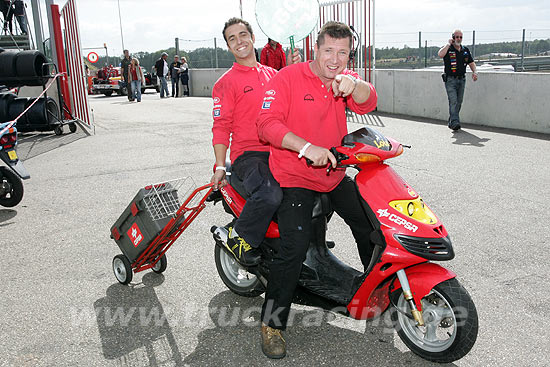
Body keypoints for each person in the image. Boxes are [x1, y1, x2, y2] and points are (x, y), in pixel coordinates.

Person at [256, 21, 378, 359]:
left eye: (343, 53)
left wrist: (355, 85)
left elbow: (370, 100)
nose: (335, 59)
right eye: (329, 51)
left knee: (370, 223)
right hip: (295, 175)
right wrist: (305, 147)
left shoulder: (344, 82)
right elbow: (266, 125)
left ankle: (374, 290)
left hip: (334, 173)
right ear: (316, 50)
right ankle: (272, 323)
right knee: (293, 248)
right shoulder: (289, 78)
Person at [211, 18, 299, 267]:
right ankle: (237, 237)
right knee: (270, 194)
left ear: (252, 38)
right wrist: (219, 165)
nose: (239, 41)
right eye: (232, 38)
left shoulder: (274, 75)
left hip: (279, 151)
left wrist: (292, 71)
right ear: (228, 46)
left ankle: (303, 240)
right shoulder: (225, 83)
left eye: (242, 35)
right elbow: (220, 126)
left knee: (317, 189)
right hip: (249, 156)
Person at [438, 29, 478, 131]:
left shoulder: (465, 50)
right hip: (450, 80)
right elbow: (440, 54)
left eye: (460, 37)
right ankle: (455, 122)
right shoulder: (448, 49)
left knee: (459, 102)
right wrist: (448, 44)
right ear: (453, 37)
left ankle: (452, 120)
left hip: (462, 79)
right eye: (457, 37)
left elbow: (471, 63)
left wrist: (475, 72)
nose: (459, 39)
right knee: (453, 101)